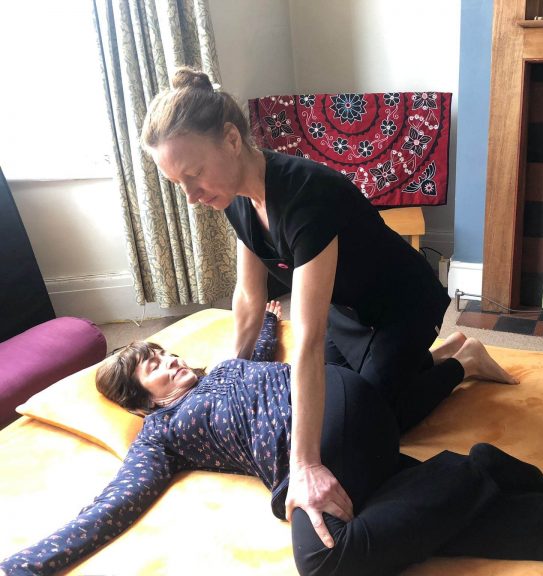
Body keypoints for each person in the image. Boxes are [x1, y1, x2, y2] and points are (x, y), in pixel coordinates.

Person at [2, 303, 543, 576]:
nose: (171, 358)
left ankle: (473, 467)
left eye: (164, 350)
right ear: (143, 400)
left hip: (331, 417)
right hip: (359, 459)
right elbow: (105, 510)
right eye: (155, 366)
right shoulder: (160, 438)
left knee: (323, 564)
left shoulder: (239, 362)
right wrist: (23, 565)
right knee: (497, 526)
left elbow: (270, 319)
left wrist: (262, 321)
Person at [140, 67, 516, 547]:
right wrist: (230, 377)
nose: (191, 197)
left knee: (377, 421)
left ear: (231, 140)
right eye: (178, 185)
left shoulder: (305, 196)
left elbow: (309, 340)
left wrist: (304, 465)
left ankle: (461, 360)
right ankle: (441, 359)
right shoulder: (234, 199)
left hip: (402, 305)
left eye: (192, 175)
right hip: (348, 309)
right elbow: (249, 298)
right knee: (340, 405)